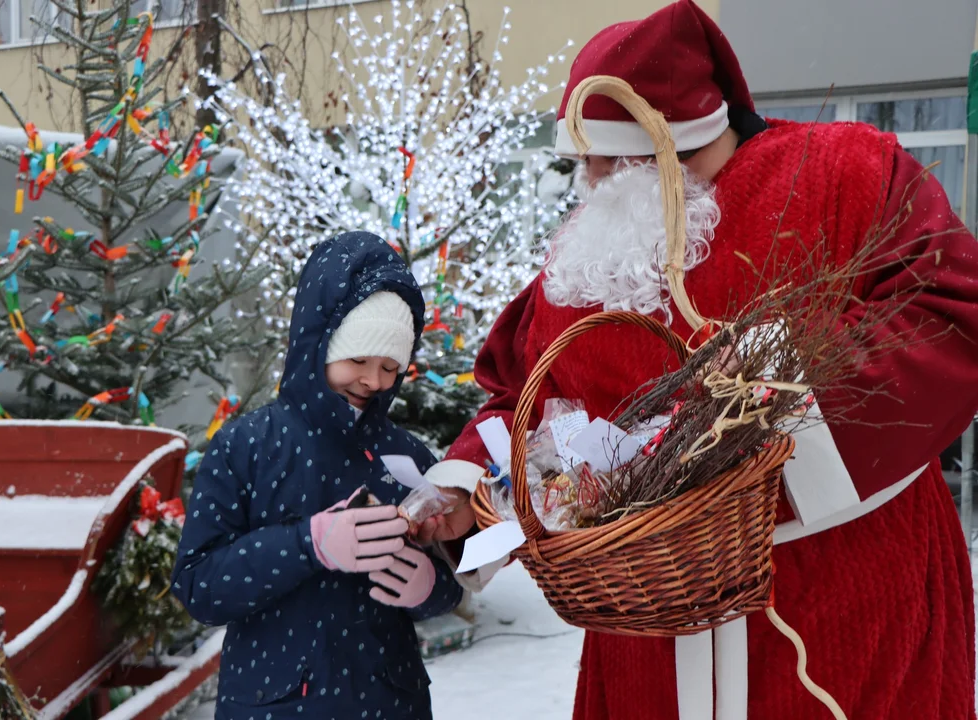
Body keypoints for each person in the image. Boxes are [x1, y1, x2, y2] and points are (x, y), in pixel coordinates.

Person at [427, 1, 978, 718]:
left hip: (841, 601)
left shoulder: (844, 174)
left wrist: (755, 436)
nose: (584, 180)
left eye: (599, 157)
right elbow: (521, 395)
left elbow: (949, 316)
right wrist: (466, 488)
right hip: (647, 635)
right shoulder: (595, 248)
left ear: (657, 148)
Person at [171, 232, 464, 720]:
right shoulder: (246, 447)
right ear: (318, 345)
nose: (374, 380)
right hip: (273, 704)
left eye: (391, 366)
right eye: (358, 360)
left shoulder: (405, 456)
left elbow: (453, 571)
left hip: (389, 702)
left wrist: (431, 586)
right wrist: (309, 544)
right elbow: (200, 587)